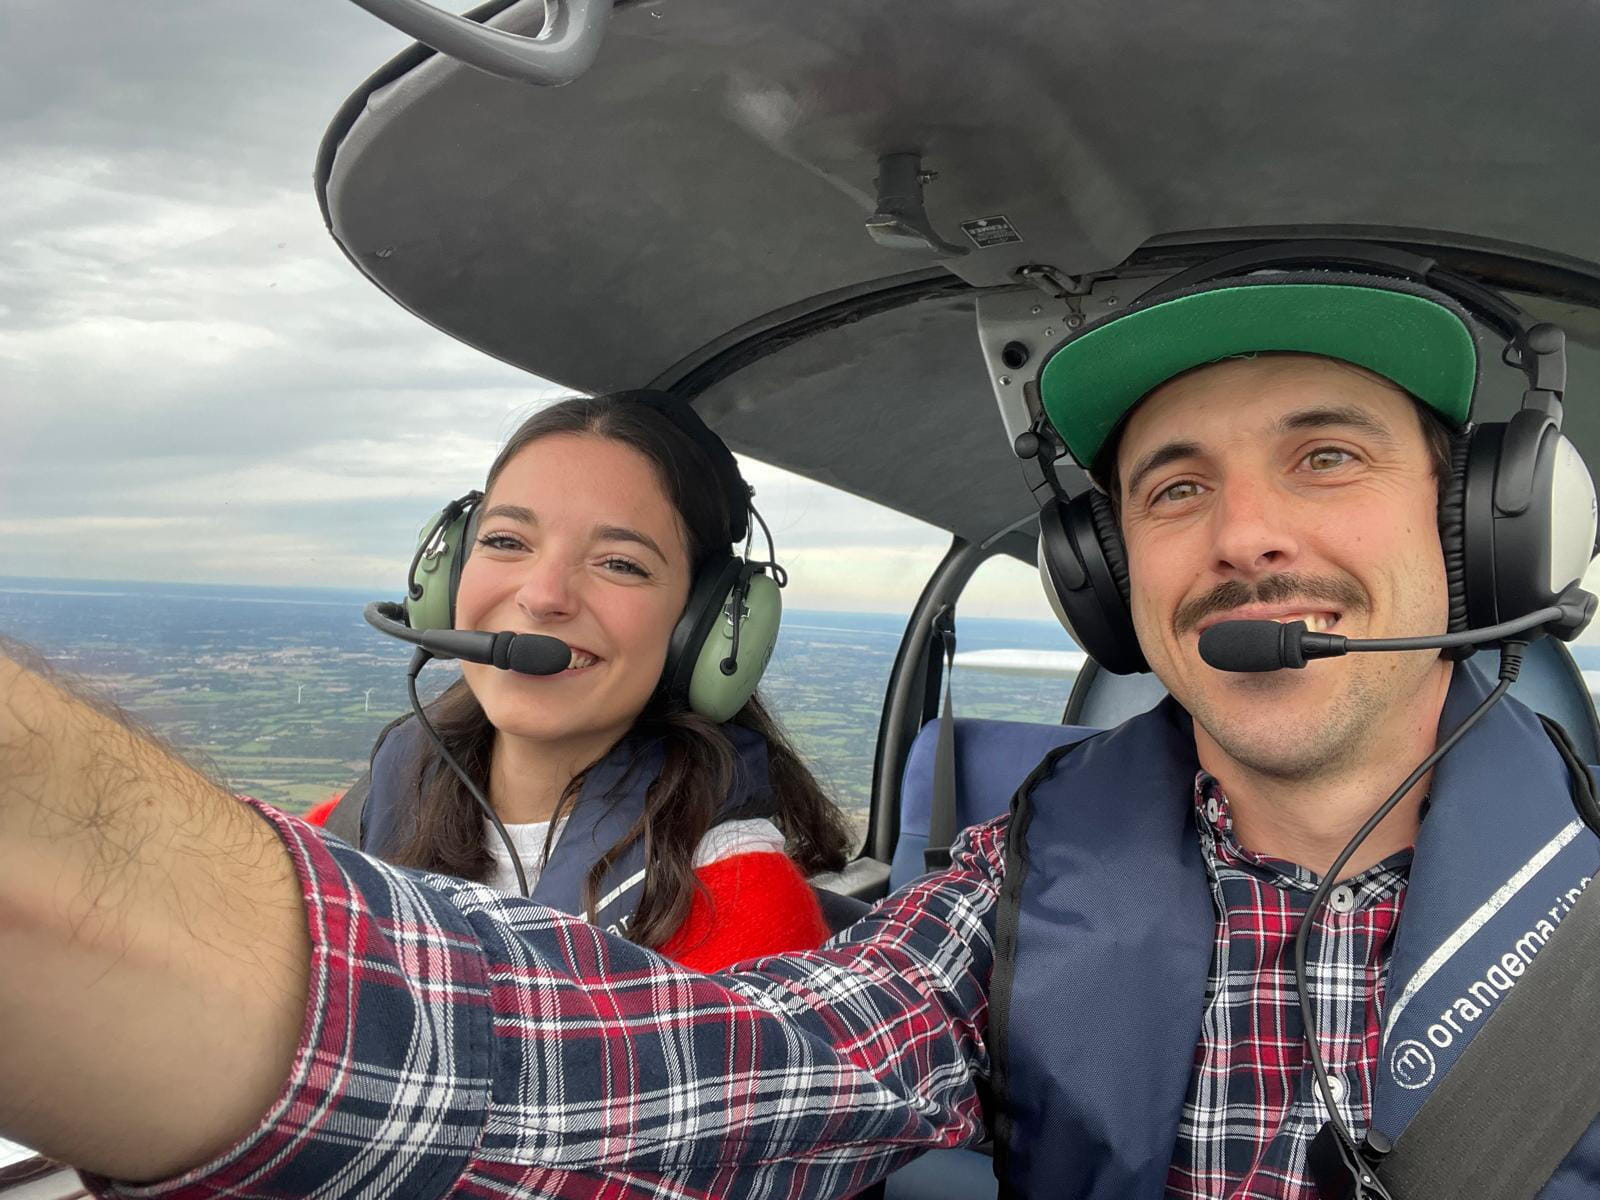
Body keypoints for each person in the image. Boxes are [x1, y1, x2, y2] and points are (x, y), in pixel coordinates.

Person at [5, 244, 1600, 1199]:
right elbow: (716, 1069)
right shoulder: (1011, 893)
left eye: (1328, 456)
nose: (1246, 536)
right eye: (1174, 489)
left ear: (1480, 528)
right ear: (1110, 578)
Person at [325, 391, 854, 970]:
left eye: (620, 563)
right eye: (506, 541)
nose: (542, 596)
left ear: (704, 627)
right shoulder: (367, 811)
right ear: (448, 573)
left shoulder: (738, 903)